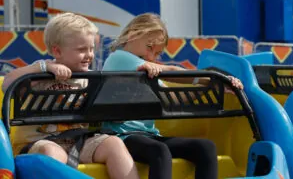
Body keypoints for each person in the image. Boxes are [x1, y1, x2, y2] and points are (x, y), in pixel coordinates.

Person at [101, 13, 244, 179]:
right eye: (149, 47)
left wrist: (211, 87)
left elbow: (174, 100)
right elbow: (173, 72)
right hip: (121, 136)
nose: (151, 56)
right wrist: (214, 80)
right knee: (159, 151)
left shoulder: (148, 70)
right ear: (132, 35)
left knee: (205, 147)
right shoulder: (120, 58)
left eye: (157, 53)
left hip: (148, 134)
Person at [2, 12, 139, 179]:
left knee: (114, 143)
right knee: (52, 152)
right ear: (57, 51)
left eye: (91, 49)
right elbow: (7, 84)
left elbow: (107, 113)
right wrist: (44, 68)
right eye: (82, 50)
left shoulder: (91, 79)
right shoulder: (40, 73)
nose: (89, 55)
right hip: (40, 141)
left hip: (79, 140)